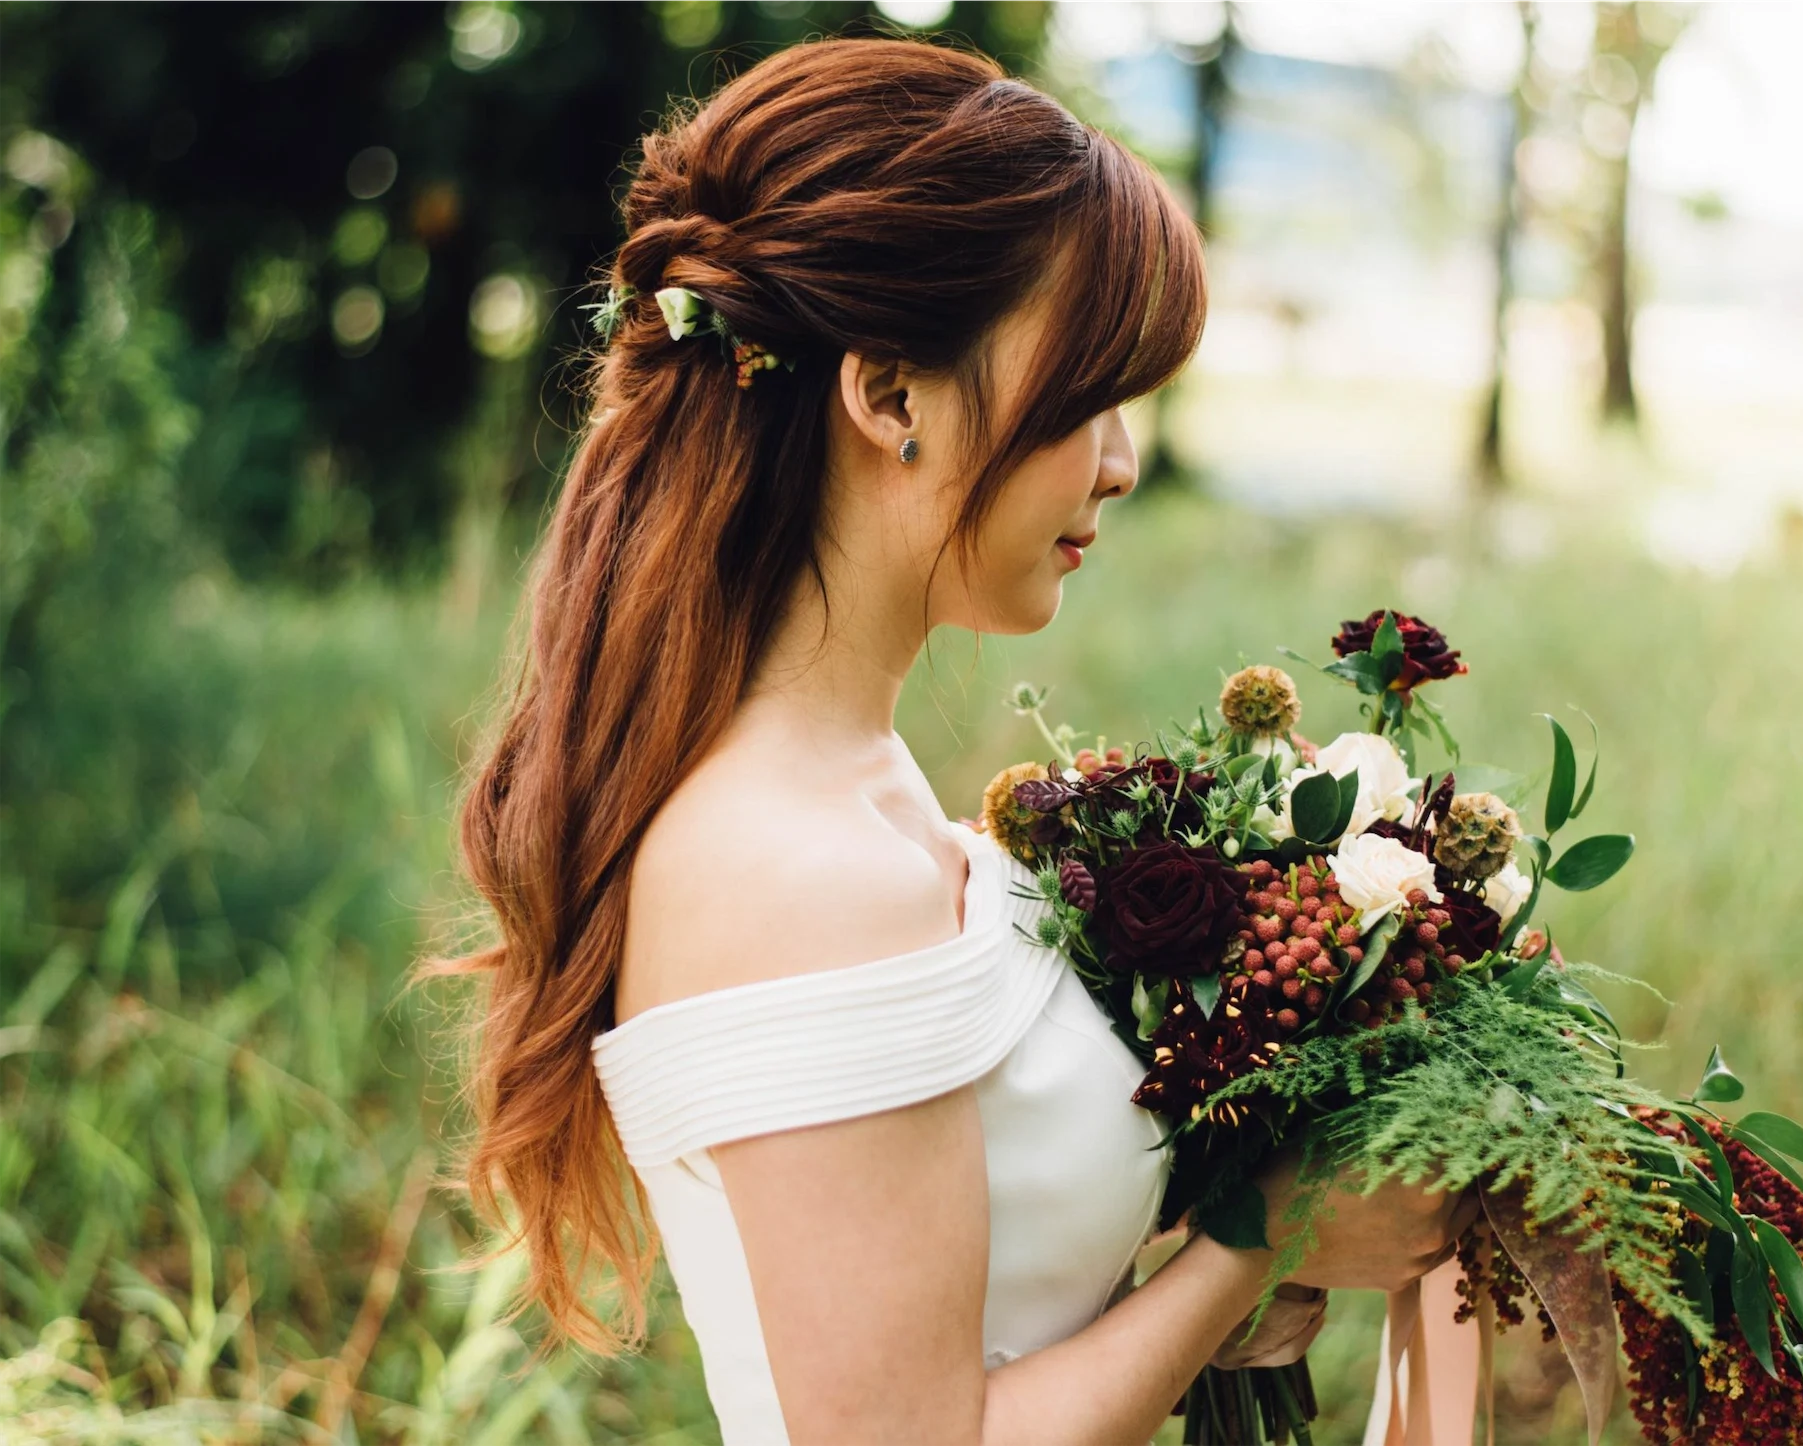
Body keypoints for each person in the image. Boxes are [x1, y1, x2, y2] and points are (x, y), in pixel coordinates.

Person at [448, 36, 1473, 1446]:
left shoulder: (857, 783)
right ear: (891, 395)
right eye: (1088, 394)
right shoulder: (787, 863)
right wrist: (1269, 1229)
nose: (1118, 459)